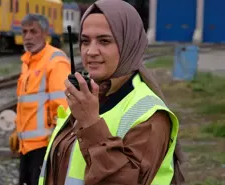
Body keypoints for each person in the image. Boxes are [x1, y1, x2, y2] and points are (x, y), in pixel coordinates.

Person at [38, 0, 186, 185]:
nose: (90, 51)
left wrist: (91, 124)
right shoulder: (90, 97)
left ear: (128, 44)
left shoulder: (151, 117)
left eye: (104, 41)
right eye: (85, 41)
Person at [8, 13, 71, 185]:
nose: (28, 37)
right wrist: (17, 131)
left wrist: (56, 141)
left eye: (33, 31)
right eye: (24, 32)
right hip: (26, 146)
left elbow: (62, 106)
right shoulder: (28, 61)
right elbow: (27, 105)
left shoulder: (55, 61)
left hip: (44, 146)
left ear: (44, 33)